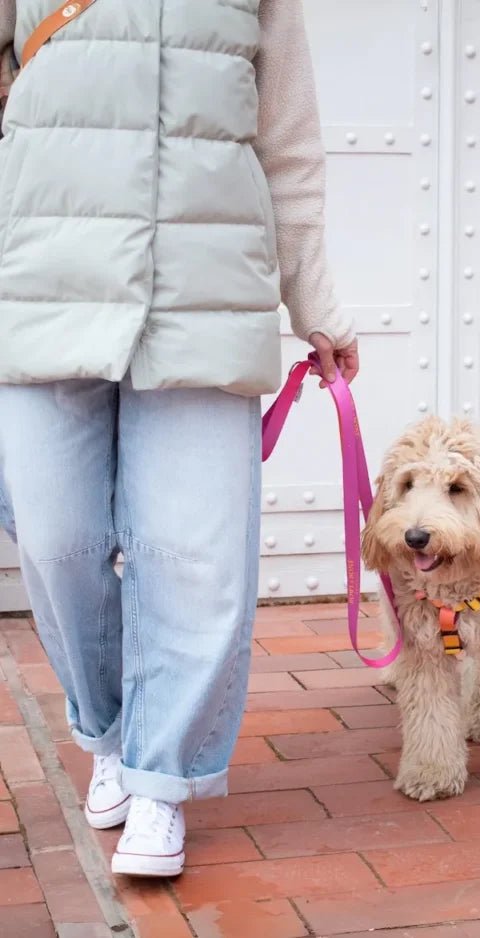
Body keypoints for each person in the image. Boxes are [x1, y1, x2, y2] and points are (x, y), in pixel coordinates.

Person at [0, 0, 357, 877]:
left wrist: (315, 301)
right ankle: (109, 729)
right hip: (45, 278)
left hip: (207, 289)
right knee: (54, 540)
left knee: (195, 556)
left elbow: (287, 143)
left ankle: (162, 777)